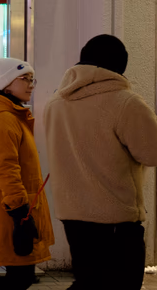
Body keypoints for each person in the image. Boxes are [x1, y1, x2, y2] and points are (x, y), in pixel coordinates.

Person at [44, 35, 157, 290]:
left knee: (89, 281)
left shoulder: (56, 102)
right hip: (115, 218)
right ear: (120, 66)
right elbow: (151, 154)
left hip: (72, 215)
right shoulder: (125, 102)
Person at [0, 58, 54, 290]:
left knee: (20, 278)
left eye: (32, 79)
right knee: (20, 279)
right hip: (9, 213)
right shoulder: (3, 120)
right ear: (6, 85)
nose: (31, 85)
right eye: (25, 79)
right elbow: (4, 170)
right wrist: (20, 213)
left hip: (12, 211)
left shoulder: (10, 116)